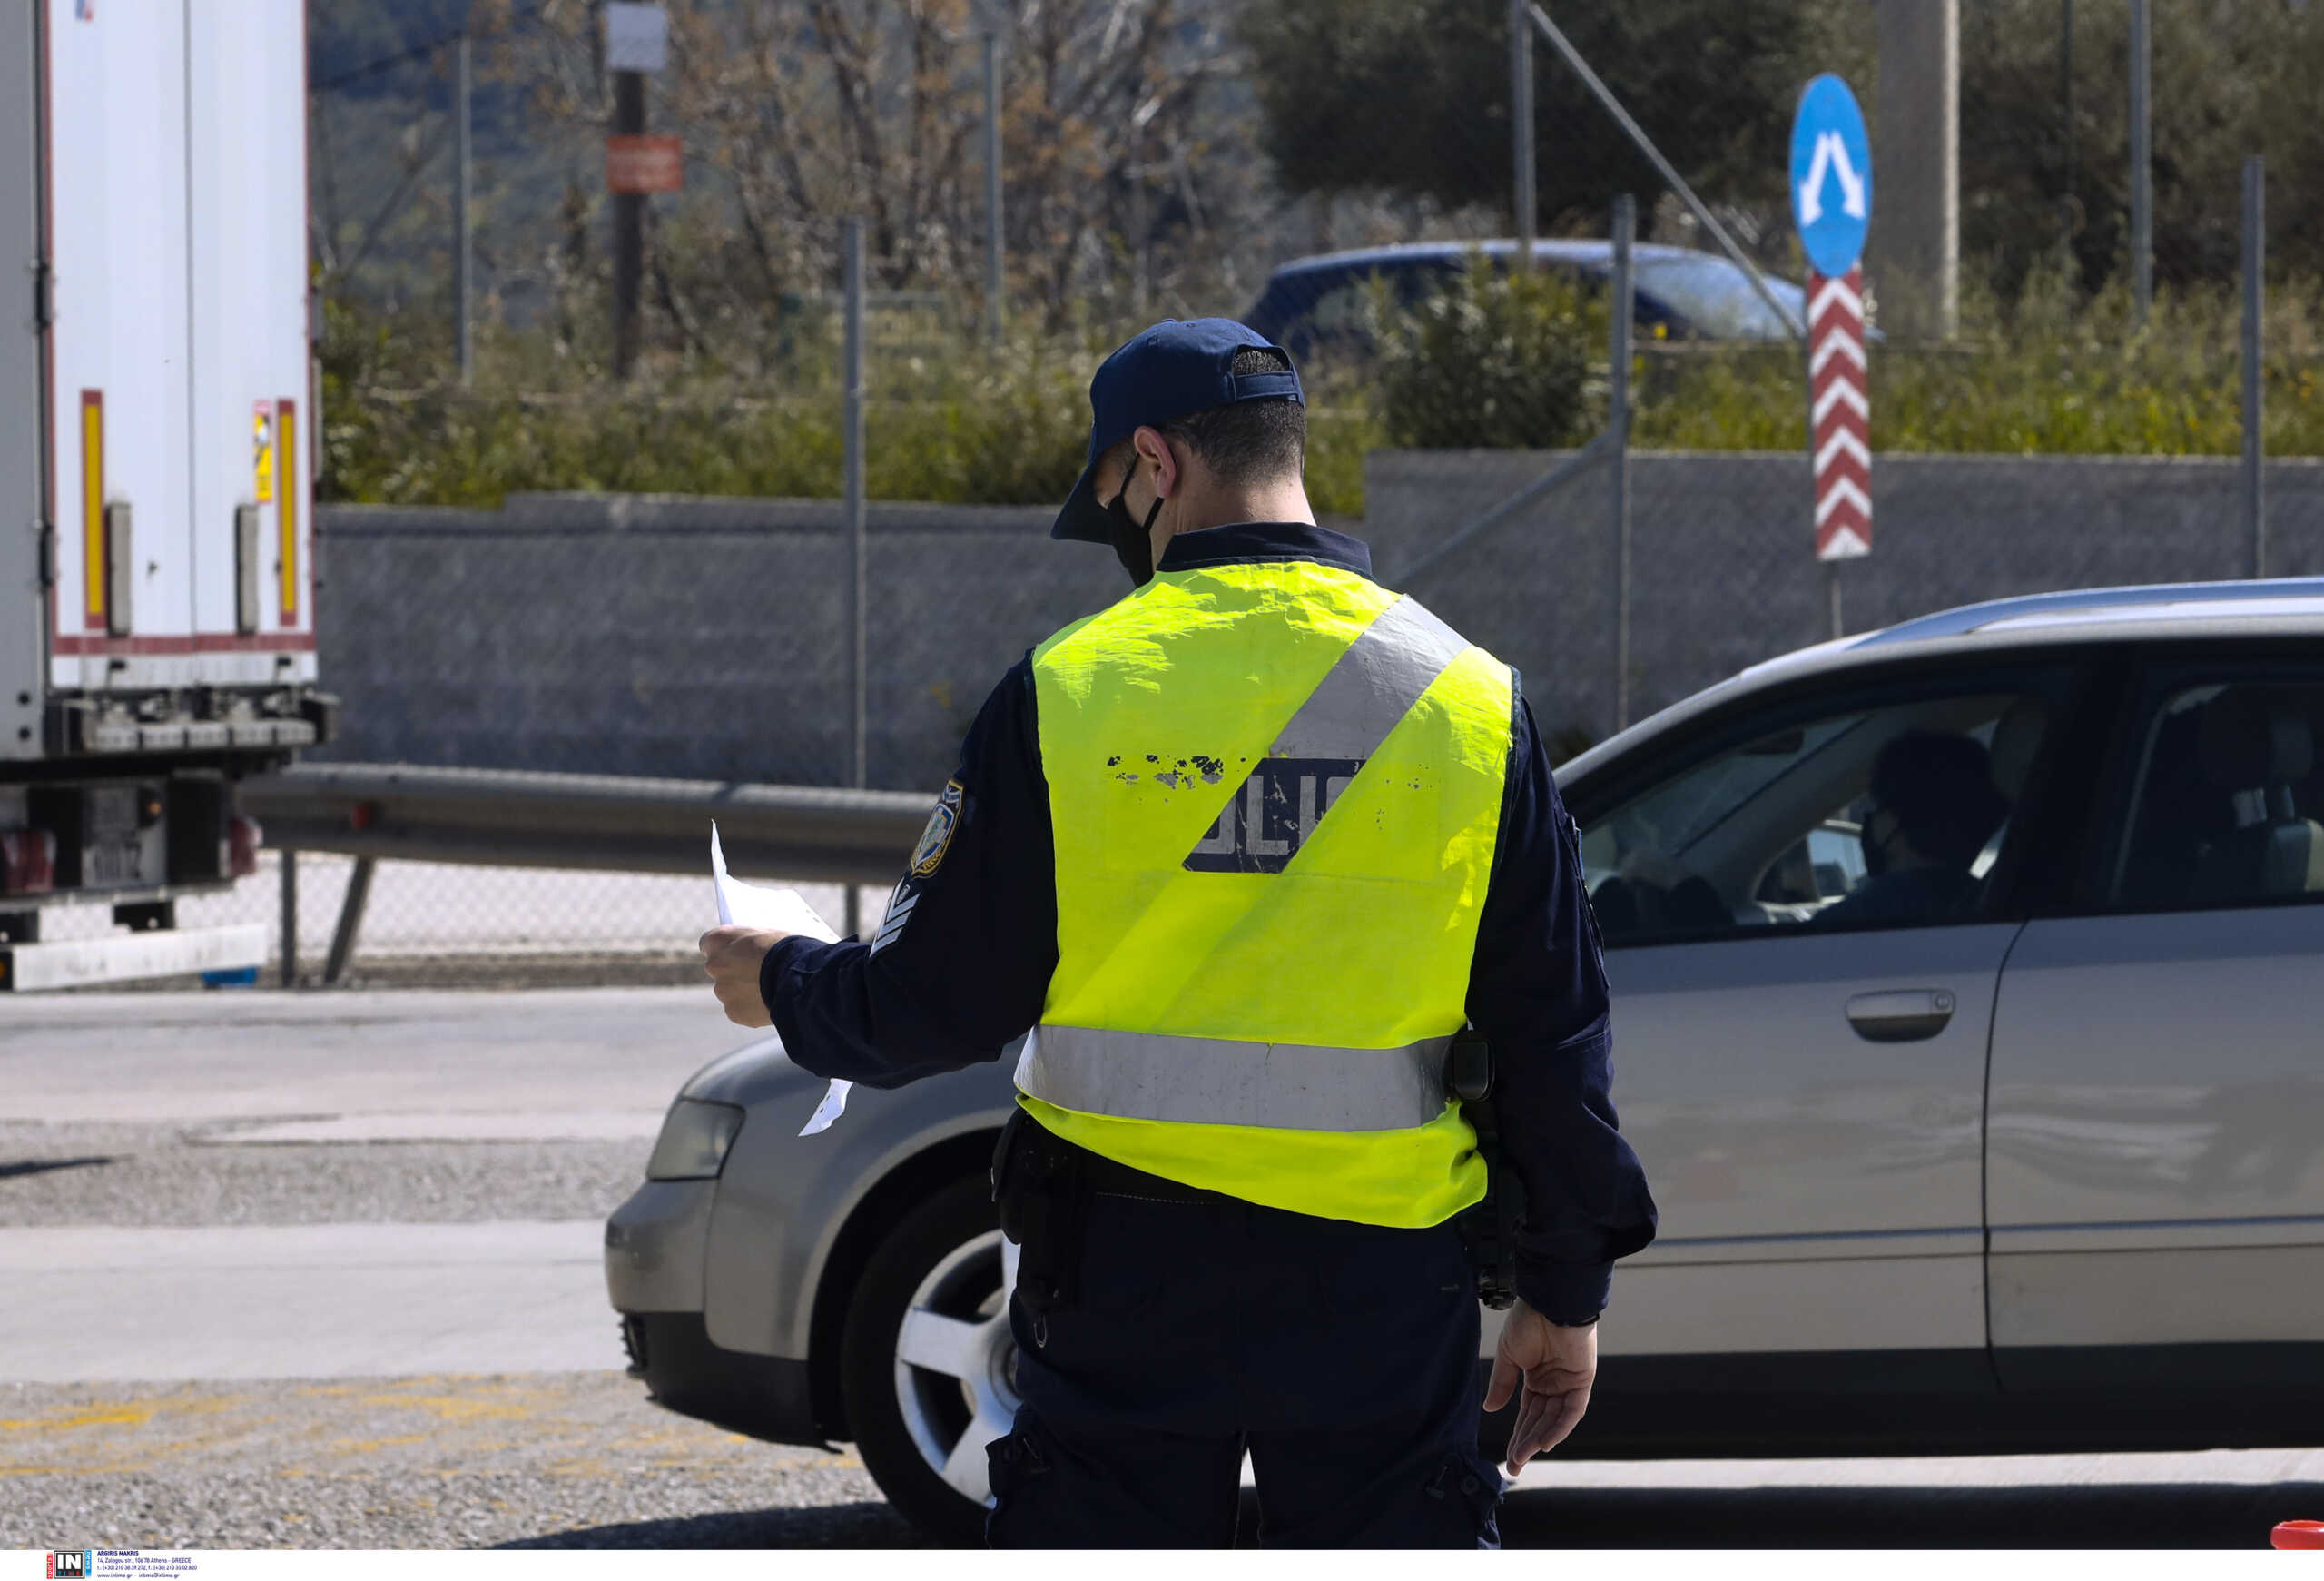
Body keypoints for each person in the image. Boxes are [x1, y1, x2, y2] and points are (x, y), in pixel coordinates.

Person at [700, 319, 1657, 1549]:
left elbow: (933, 1004)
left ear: (1155, 461)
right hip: (1378, 1279)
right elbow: (1556, 1031)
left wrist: (780, 977)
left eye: (1111, 492)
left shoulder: (1067, 689)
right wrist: (1565, 1292)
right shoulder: (1469, 696)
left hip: (1115, 1278)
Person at [1815, 729, 2010, 929]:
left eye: (1876, 807)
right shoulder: (1998, 906)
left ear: (1892, 820)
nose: (1871, 820)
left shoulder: (1841, 923)